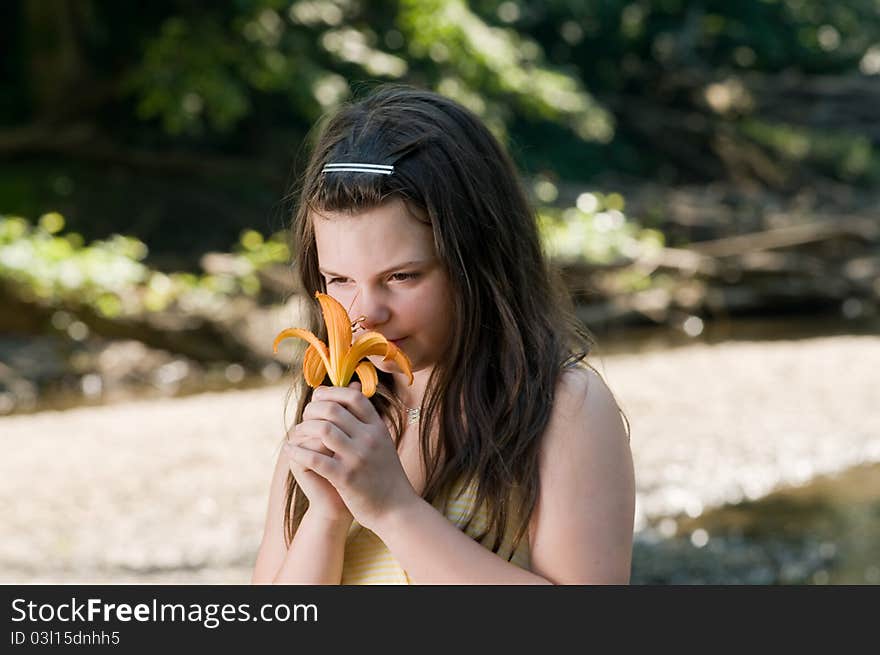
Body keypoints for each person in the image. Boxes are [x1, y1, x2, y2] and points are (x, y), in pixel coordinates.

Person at [251, 84, 634, 585]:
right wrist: (326, 514)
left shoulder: (564, 408)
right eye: (339, 280)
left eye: (402, 277)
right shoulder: (329, 418)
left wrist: (392, 508)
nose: (365, 314)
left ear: (479, 262)